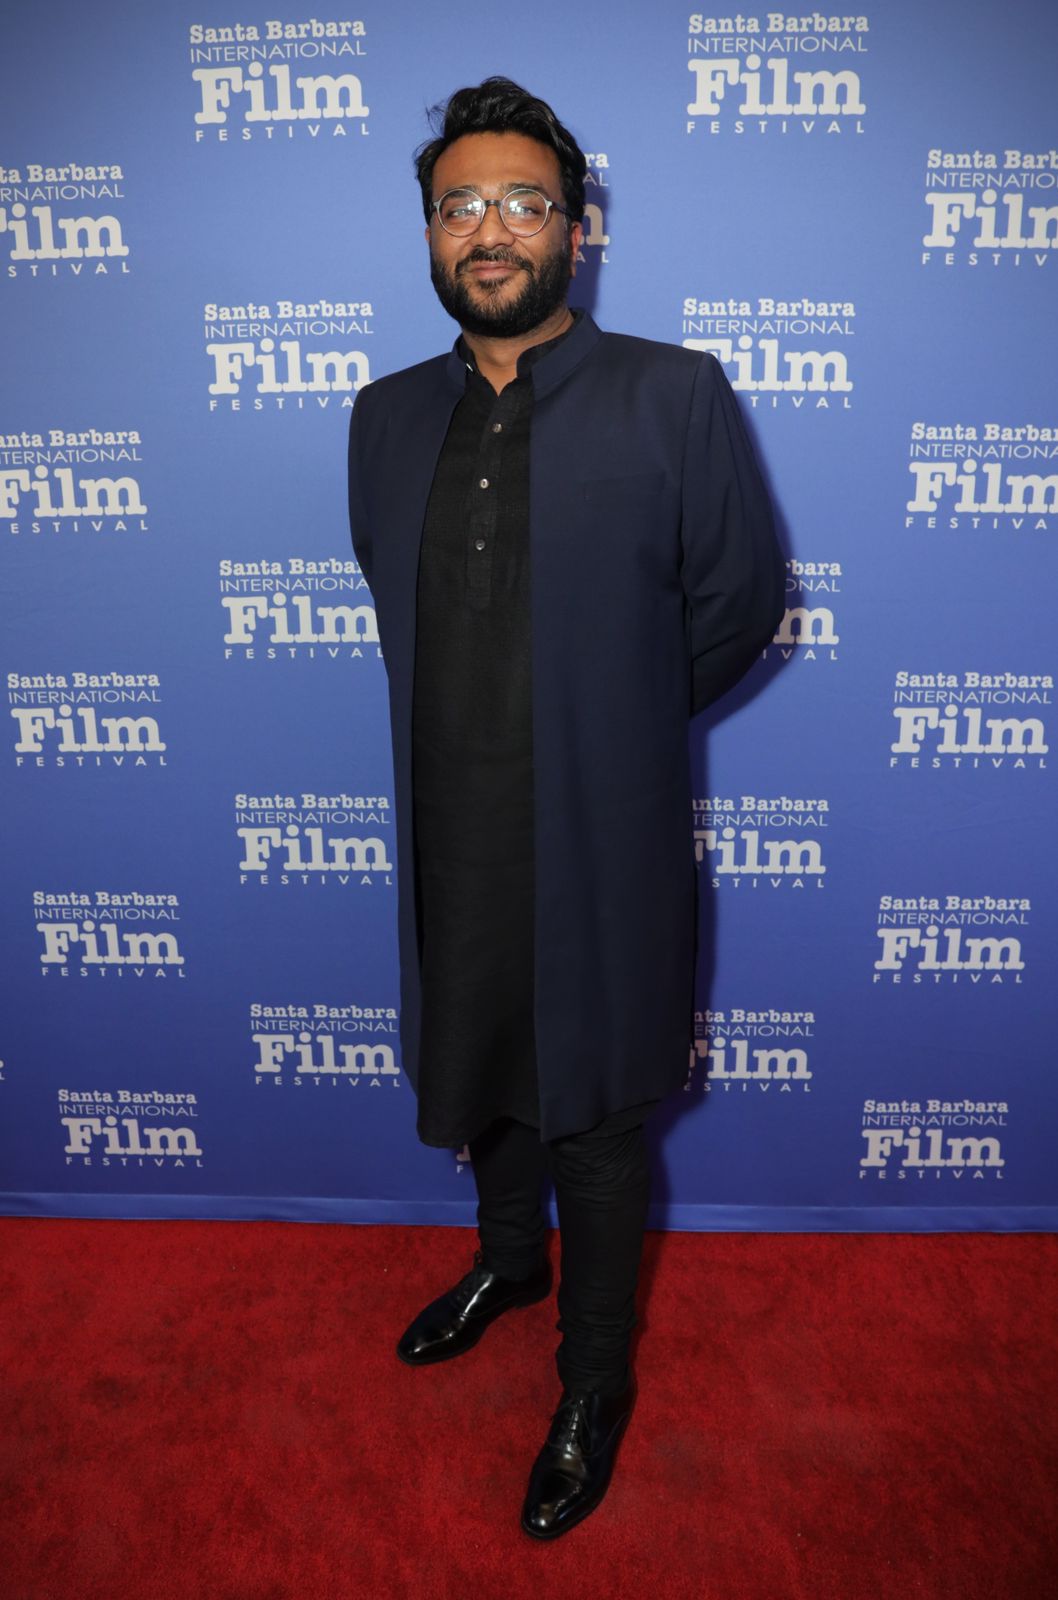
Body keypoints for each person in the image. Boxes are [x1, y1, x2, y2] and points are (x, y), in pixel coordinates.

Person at [347, 76, 785, 1539]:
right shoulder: (381, 418)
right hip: (448, 827)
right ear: (430, 231)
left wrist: (605, 731)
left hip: (604, 837)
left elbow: (737, 606)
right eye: (459, 205)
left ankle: (592, 1380)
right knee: (478, 1068)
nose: (491, 231)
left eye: (524, 203)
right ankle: (506, 1262)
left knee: (592, 1119)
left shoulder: (675, 393)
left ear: (576, 230)